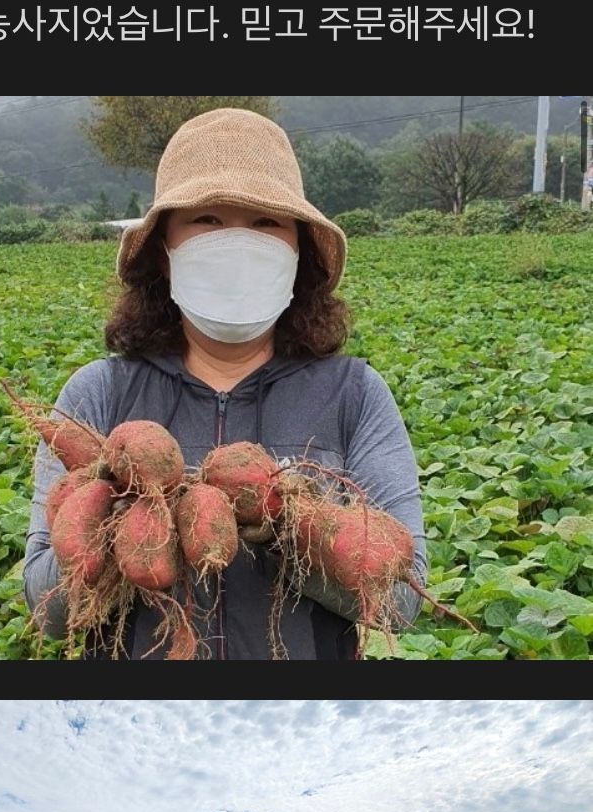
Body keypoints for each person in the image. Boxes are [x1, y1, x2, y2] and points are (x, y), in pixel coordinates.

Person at [24, 107, 427, 661]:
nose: (237, 242)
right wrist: (119, 523)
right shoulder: (97, 394)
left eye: (266, 223)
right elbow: (44, 606)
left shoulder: (354, 393)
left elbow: (401, 602)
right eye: (207, 220)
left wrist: (284, 524)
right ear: (164, 253)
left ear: (297, 251)